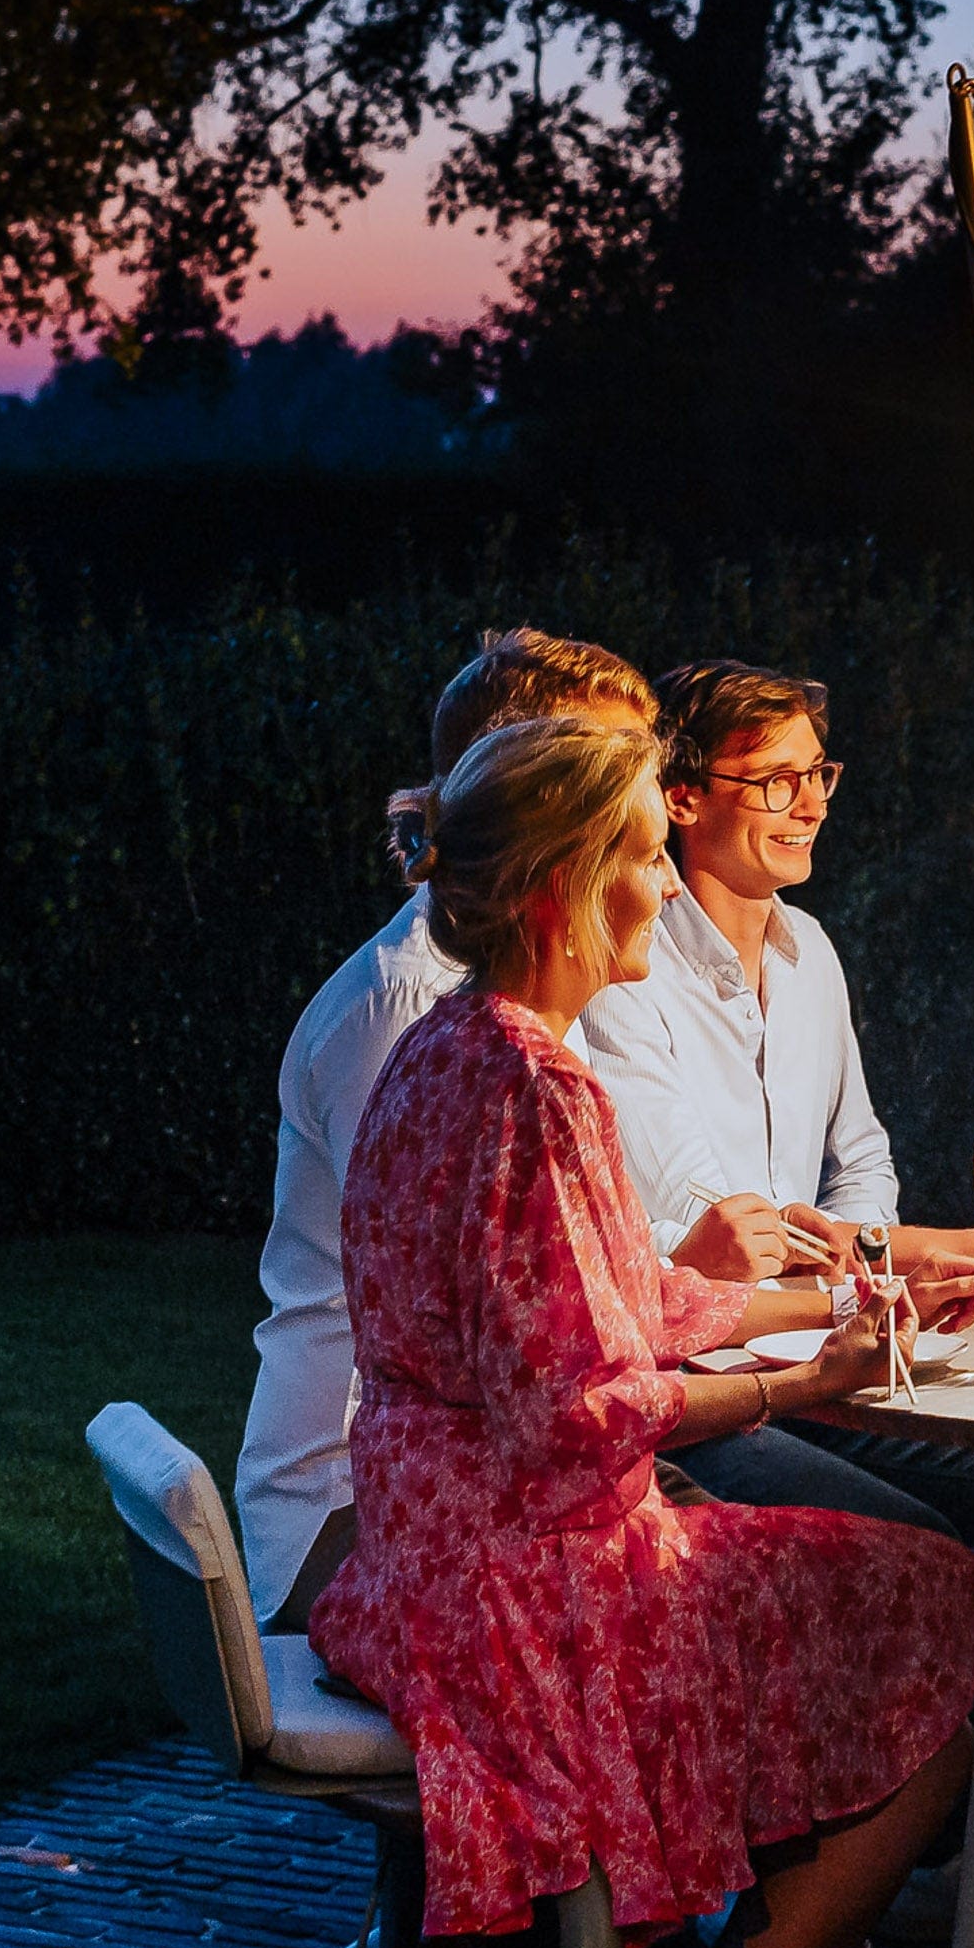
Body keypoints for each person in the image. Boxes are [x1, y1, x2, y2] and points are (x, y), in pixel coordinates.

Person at [310, 713, 974, 1948]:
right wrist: (807, 1390)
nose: (658, 887)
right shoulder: (530, 1090)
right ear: (563, 887)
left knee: (898, 1593)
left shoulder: (458, 1052)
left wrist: (841, 1309)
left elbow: (609, 1310)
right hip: (525, 1591)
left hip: (433, 1562)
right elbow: (579, 1415)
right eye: (636, 855)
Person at [239, 628, 660, 1627]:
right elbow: (499, 1337)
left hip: (477, 1468)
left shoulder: (517, 991)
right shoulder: (411, 1015)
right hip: (355, 1514)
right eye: (603, 775)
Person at [580, 659, 974, 1543]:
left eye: (818, 773)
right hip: (708, 1386)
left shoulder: (811, 951)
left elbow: (860, 1161)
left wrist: (863, 1250)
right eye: (776, 780)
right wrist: (906, 1258)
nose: (812, 803)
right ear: (683, 799)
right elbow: (709, 1219)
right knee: (928, 1550)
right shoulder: (629, 964)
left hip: (830, 1351)